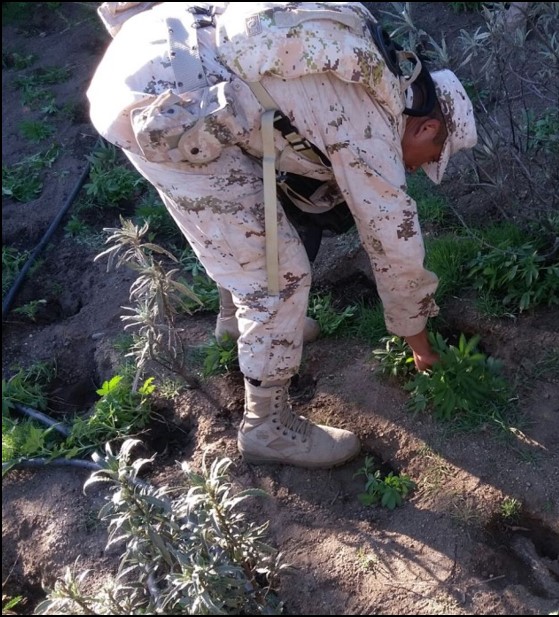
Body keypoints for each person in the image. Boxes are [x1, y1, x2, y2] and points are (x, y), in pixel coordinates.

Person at [86, 2, 477, 469]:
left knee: (253, 218)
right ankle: (266, 426)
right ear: (428, 125)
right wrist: (421, 348)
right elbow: (394, 244)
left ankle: (235, 324)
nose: (415, 168)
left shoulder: (368, 55)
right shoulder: (368, 120)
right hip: (167, 107)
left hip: (163, 49)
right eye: (427, 157)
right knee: (277, 274)